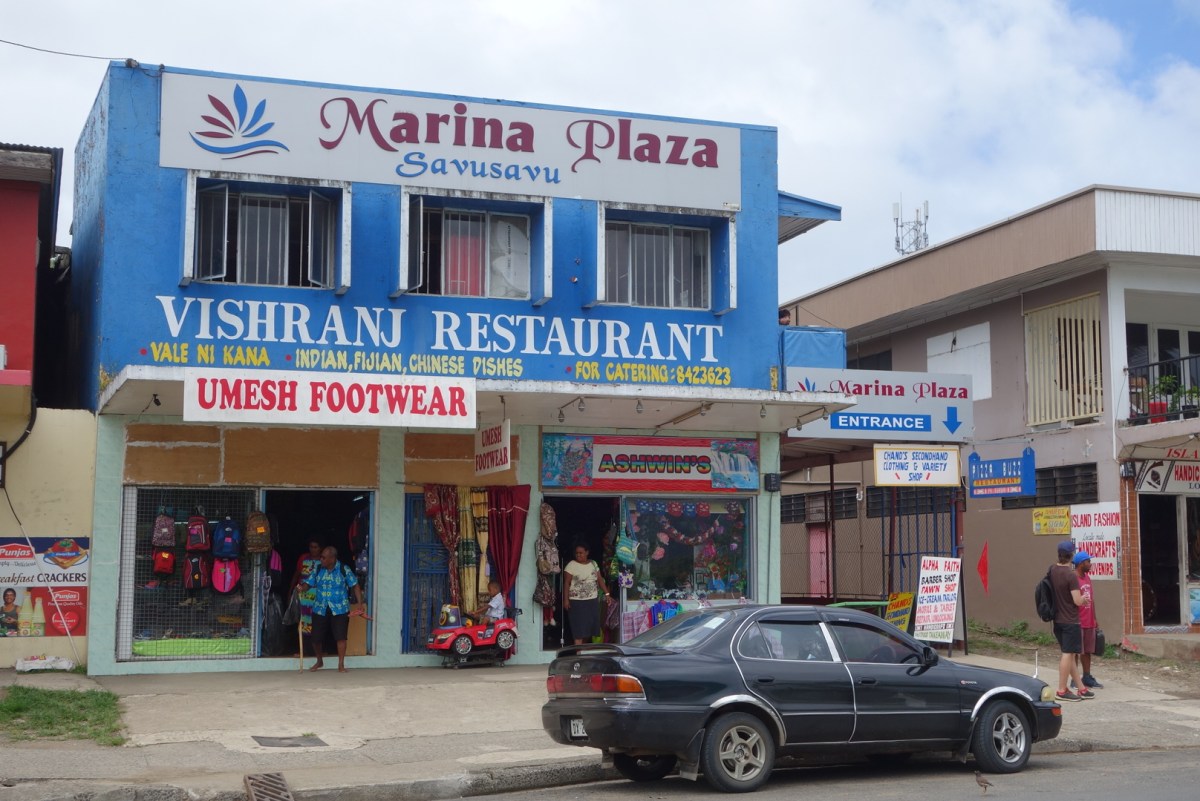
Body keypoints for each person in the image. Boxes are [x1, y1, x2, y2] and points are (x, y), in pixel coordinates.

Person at [298, 546, 364, 672]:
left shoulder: (344, 569)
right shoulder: (318, 568)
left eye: (323, 558)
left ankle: (341, 664)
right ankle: (319, 661)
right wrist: (302, 588)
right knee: (316, 638)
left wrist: (360, 604)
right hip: (320, 607)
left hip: (340, 608)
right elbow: (308, 584)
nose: (321, 559)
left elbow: (355, 585)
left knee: (341, 637)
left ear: (332, 559)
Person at [1049, 540, 1093, 701]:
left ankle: (1081, 688)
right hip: (1070, 621)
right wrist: (1084, 599)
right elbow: (1077, 601)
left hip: (1057, 619)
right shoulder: (1070, 575)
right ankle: (1062, 690)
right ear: (1071, 555)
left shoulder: (1052, 570)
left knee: (1070, 653)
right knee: (1067, 654)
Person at [563, 543, 610, 645]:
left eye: (581, 553)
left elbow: (600, 579)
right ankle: (578, 652)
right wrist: (566, 600)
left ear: (587, 552)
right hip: (576, 602)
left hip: (592, 602)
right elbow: (566, 583)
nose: (578, 555)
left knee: (590, 629)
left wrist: (607, 594)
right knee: (578, 630)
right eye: (577, 553)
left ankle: (582, 649)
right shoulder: (571, 565)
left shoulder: (593, 564)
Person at [1074, 551, 1104, 689]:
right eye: (1088, 562)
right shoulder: (1073, 579)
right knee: (1075, 651)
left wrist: (1095, 618)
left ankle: (1086, 676)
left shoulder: (1087, 578)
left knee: (1087, 651)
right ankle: (1074, 679)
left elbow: (1092, 600)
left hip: (1089, 620)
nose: (1090, 564)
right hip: (1077, 621)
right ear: (1081, 563)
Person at [290, 539, 323, 644]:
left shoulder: (324, 560)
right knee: (304, 621)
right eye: (311, 547)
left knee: (317, 622)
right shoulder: (303, 558)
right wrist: (290, 591)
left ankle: (316, 647)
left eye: (315, 547)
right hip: (303, 596)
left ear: (320, 548)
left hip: (319, 597)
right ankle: (304, 648)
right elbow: (297, 575)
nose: (313, 549)